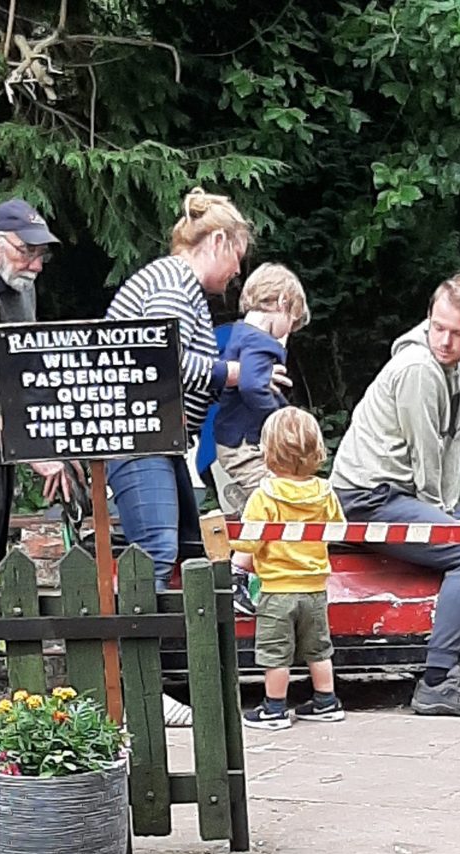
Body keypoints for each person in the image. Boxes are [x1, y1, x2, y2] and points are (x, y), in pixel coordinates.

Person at [330, 270, 460, 717]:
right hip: (366, 497)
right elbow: (425, 451)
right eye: (438, 327)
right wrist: (445, 522)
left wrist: (452, 512)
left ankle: (451, 654)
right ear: (428, 317)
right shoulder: (417, 368)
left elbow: (454, 447)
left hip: (398, 495)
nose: (444, 340)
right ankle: (438, 680)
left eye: (458, 333)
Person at [105, 188, 262, 591]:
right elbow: (162, 359)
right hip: (140, 439)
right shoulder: (174, 284)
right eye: (237, 257)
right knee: (156, 554)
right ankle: (137, 634)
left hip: (157, 438)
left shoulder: (176, 283)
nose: (237, 271)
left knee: (188, 548)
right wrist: (229, 373)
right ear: (217, 241)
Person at [0, 198, 83, 587]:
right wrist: (32, 449)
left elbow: (29, 371)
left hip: (8, 436)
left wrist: (53, 440)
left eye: (40, 254)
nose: (36, 265)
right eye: (26, 251)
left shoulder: (23, 287)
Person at [232, 407, 346, 730]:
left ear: (267, 452)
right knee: (318, 650)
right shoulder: (325, 492)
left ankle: (275, 708)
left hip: (277, 590)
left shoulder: (264, 496)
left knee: (275, 654)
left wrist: (235, 566)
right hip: (314, 588)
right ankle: (326, 701)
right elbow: (338, 529)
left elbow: (248, 542)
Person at [213, 262, 311, 613]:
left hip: (236, 440)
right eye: (292, 322)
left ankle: (245, 507)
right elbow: (254, 387)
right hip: (244, 444)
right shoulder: (260, 341)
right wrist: (283, 423)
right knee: (276, 500)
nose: (289, 333)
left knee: (271, 496)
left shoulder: (241, 335)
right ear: (282, 303)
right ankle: (237, 575)